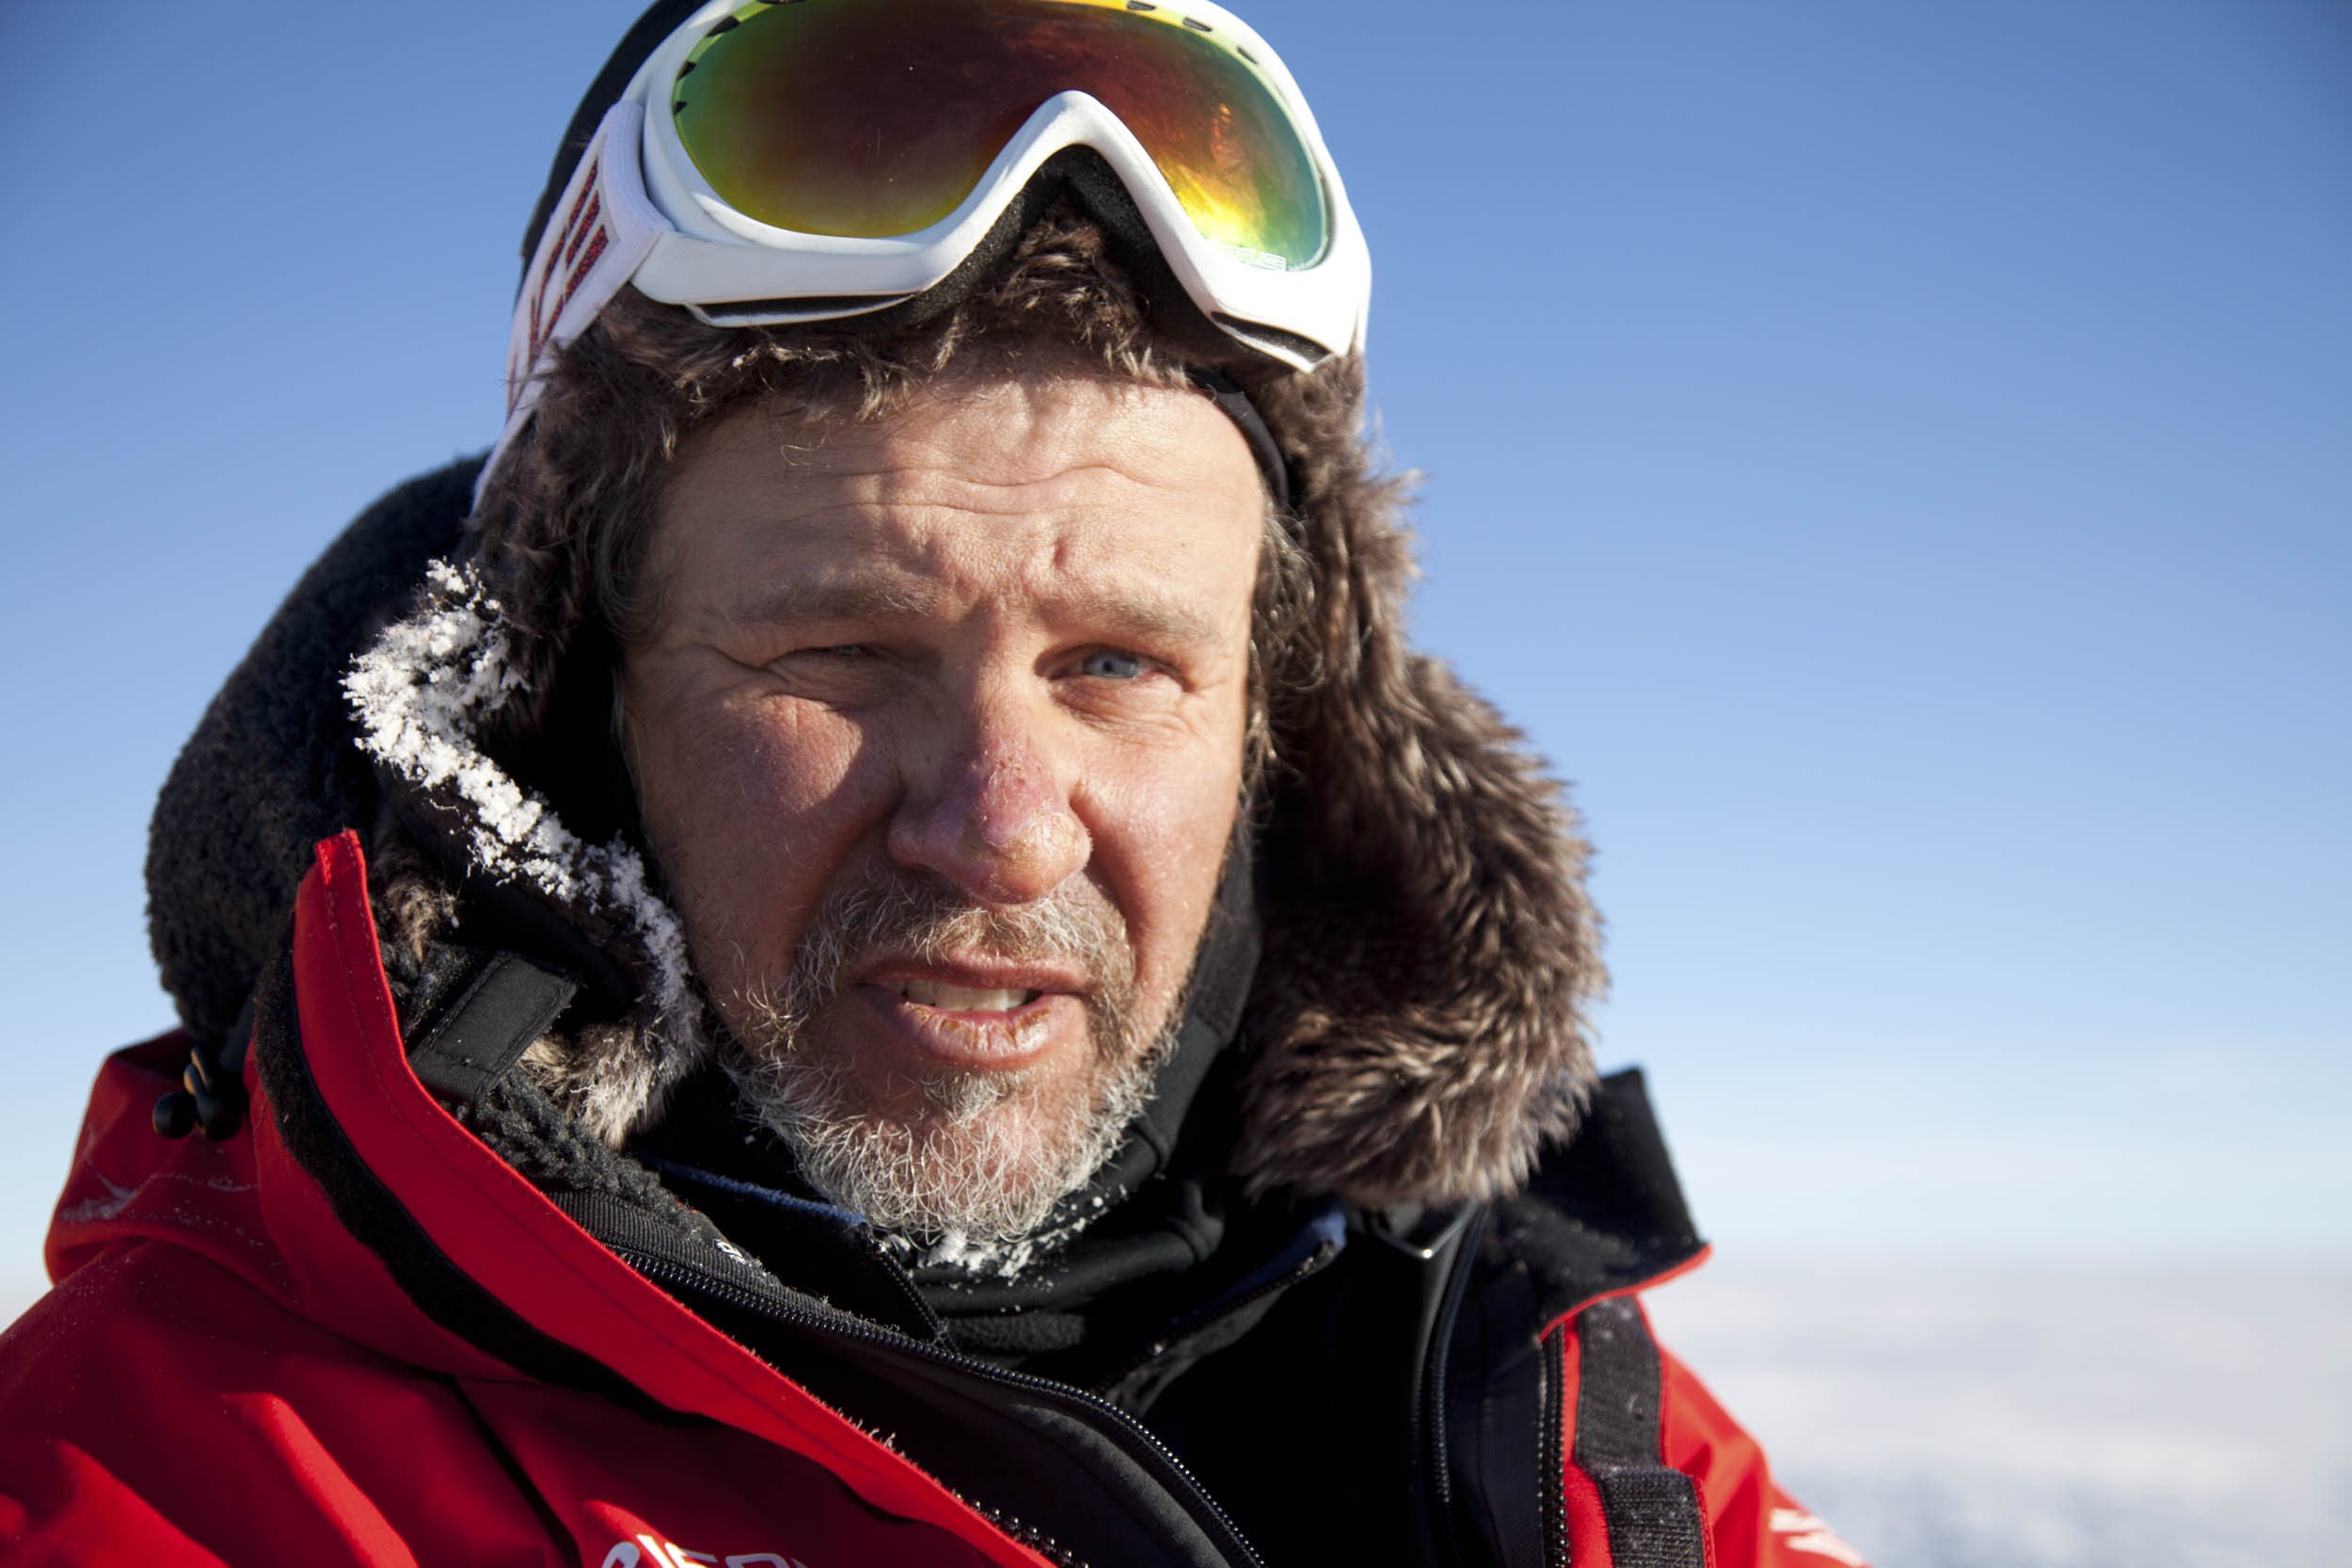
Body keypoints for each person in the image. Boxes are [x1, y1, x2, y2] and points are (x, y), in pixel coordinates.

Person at [0, 2, 1867, 1563]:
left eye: (1116, 666)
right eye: (837, 654)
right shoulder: (186, 1470)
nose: (998, 822)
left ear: (1274, 720)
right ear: (577, 698)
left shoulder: (1544, 1396)